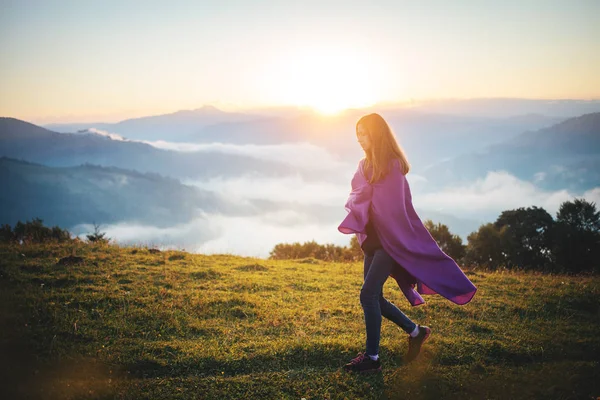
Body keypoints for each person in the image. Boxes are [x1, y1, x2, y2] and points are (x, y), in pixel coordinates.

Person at [338, 113, 477, 373]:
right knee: (375, 297)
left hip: (390, 242)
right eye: (357, 133)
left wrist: (368, 198)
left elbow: (395, 211)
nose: (359, 138)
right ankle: (416, 332)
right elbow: (357, 194)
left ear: (376, 134)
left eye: (364, 133)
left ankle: (372, 359)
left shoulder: (391, 166)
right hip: (372, 241)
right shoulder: (363, 165)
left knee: (367, 295)